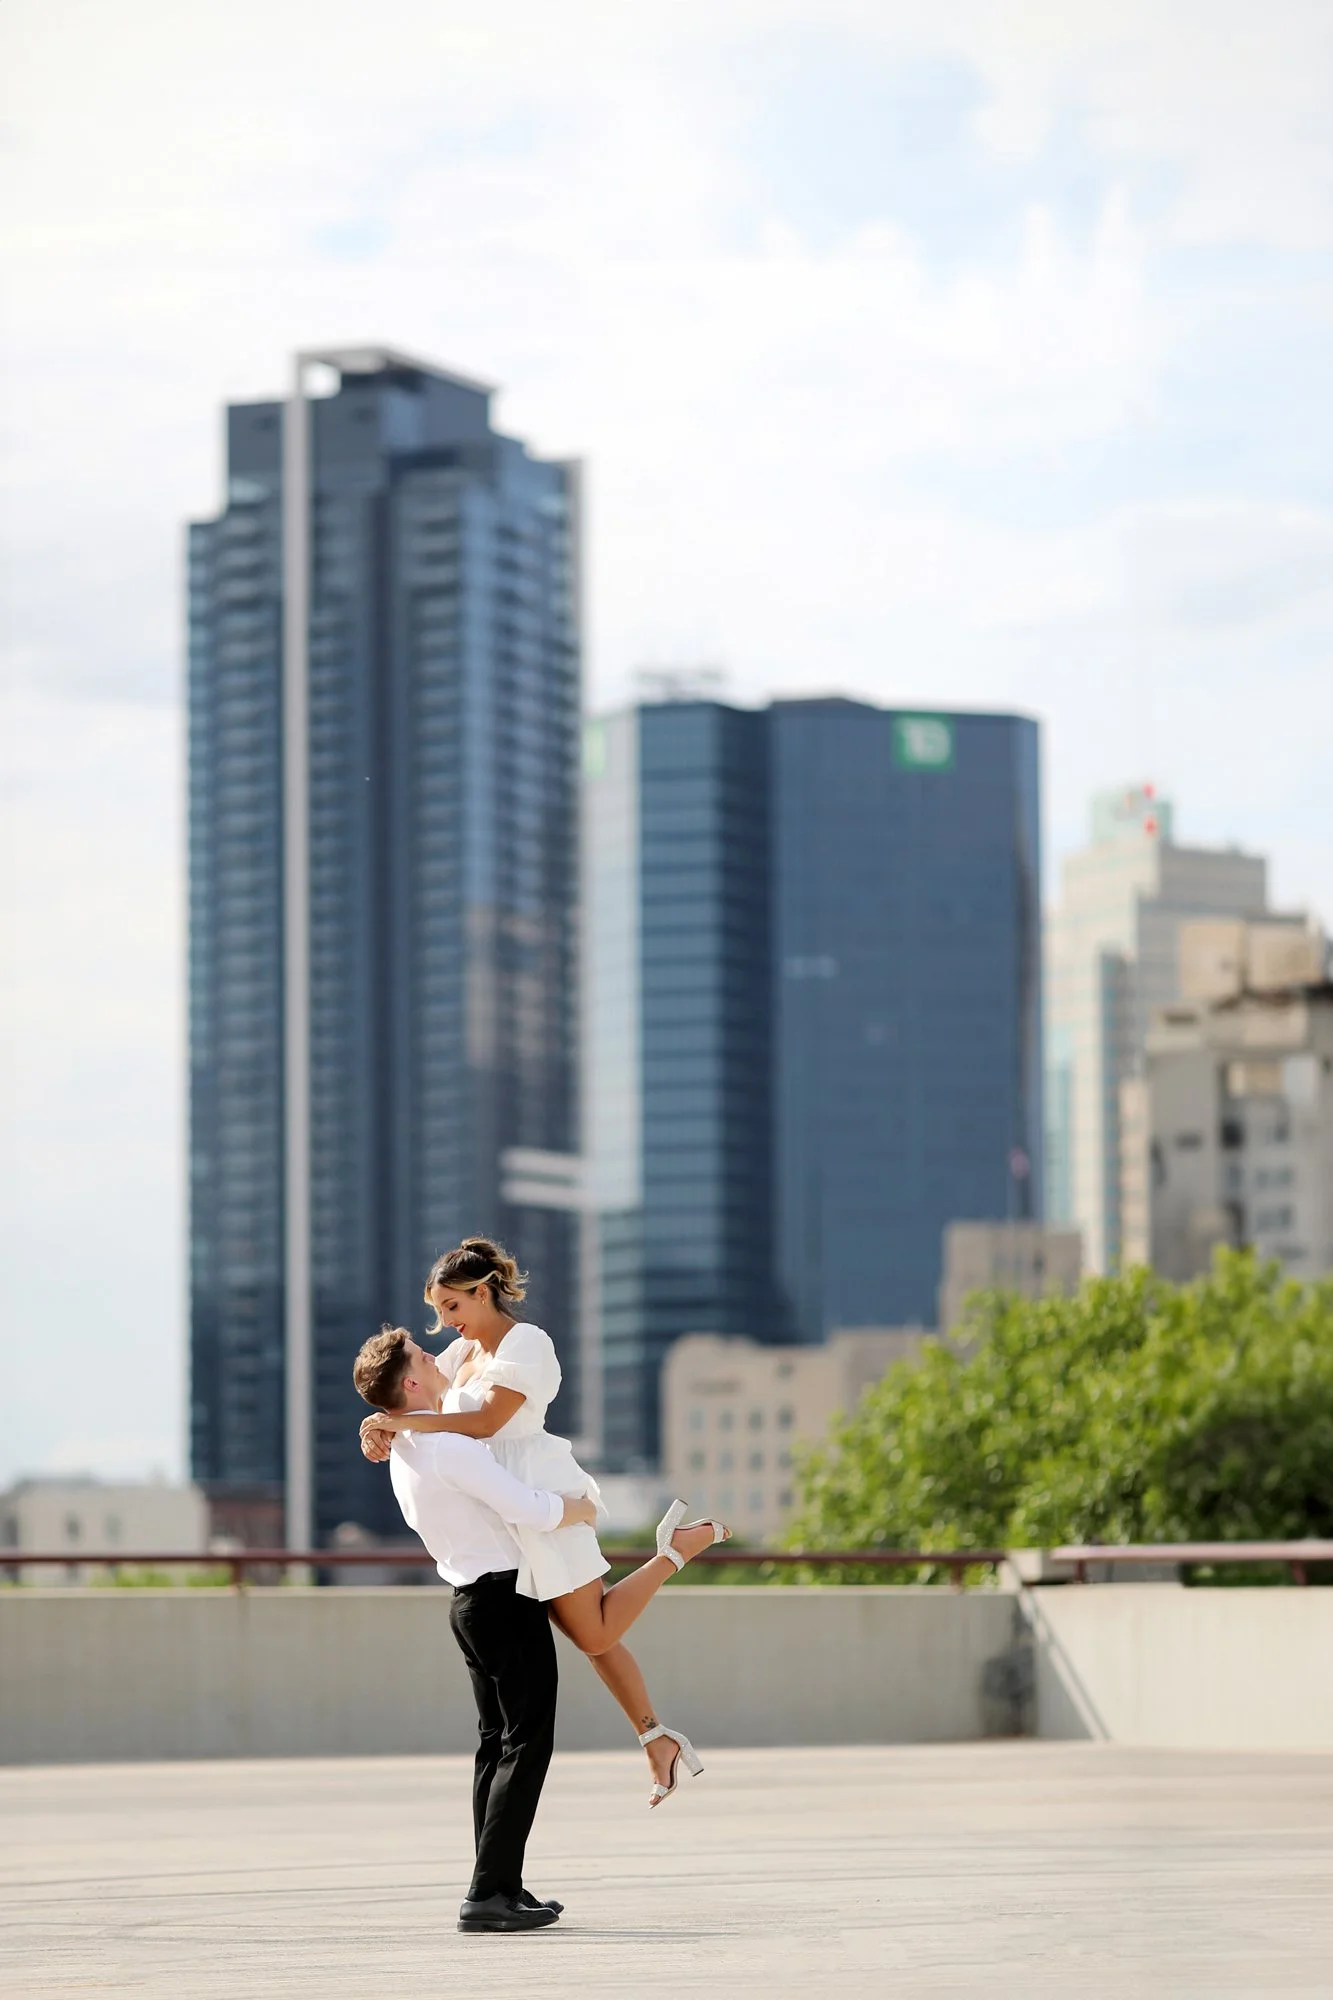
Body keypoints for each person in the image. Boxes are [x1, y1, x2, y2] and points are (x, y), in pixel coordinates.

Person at [358, 1236, 730, 1806]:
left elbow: (485, 1422)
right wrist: (379, 1425)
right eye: (438, 1310)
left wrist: (402, 1424)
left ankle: (673, 1552)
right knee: (593, 1637)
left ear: (483, 1293)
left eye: (452, 1306)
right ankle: (657, 1739)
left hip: (542, 1494)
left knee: (595, 1632)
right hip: (502, 1508)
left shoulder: (527, 1343)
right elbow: (418, 1399)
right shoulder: (458, 1356)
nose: (445, 1322)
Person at [352, 1327, 596, 1933]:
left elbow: (457, 1361)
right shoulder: (446, 1447)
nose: (437, 1356)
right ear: (412, 1383)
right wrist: (582, 1508)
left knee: (497, 1745)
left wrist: (385, 1420)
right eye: (423, 1356)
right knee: (527, 1742)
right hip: (503, 1601)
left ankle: (500, 1884)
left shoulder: (408, 1450)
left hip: (470, 1603)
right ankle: (488, 1895)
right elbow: (528, 1508)